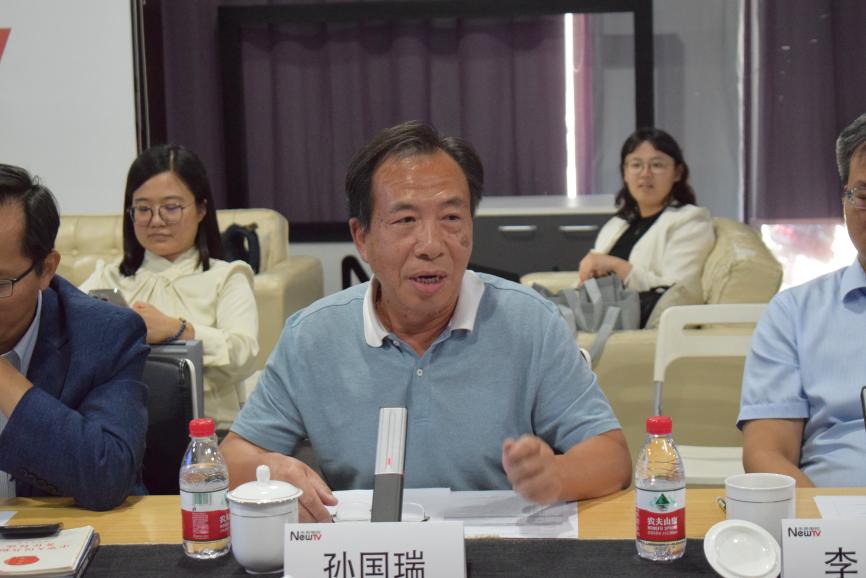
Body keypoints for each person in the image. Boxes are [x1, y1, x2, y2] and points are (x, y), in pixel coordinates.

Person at [221, 120, 632, 522]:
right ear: (362, 238)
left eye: (451, 218)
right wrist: (271, 471)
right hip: (371, 551)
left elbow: (611, 455)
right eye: (405, 220)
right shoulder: (312, 336)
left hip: (497, 547)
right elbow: (231, 458)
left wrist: (555, 476)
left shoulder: (530, 321)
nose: (431, 245)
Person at [80, 145, 259, 433]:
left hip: (210, 433)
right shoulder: (107, 278)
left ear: (201, 209)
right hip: (121, 431)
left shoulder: (227, 276)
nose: (156, 220)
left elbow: (245, 354)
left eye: (171, 207)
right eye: (143, 209)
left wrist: (179, 330)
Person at [0, 164, 148, 510]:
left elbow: (108, 475)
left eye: (0, 283)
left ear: (46, 269)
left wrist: (3, 376)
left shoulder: (105, 335)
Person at [738, 112, 866, 487]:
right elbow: (766, 453)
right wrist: (823, 516)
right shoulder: (793, 314)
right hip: (835, 516)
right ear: (844, 200)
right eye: (864, 195)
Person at [578, 128, 715, 293]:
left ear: (677, 173)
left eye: (657, 165)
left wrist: (618, 267)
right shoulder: (617, 223)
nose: (645, 173)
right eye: (636, 165)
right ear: (625, 173)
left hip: (644, 310)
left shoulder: (691, 221)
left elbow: (679, 291)